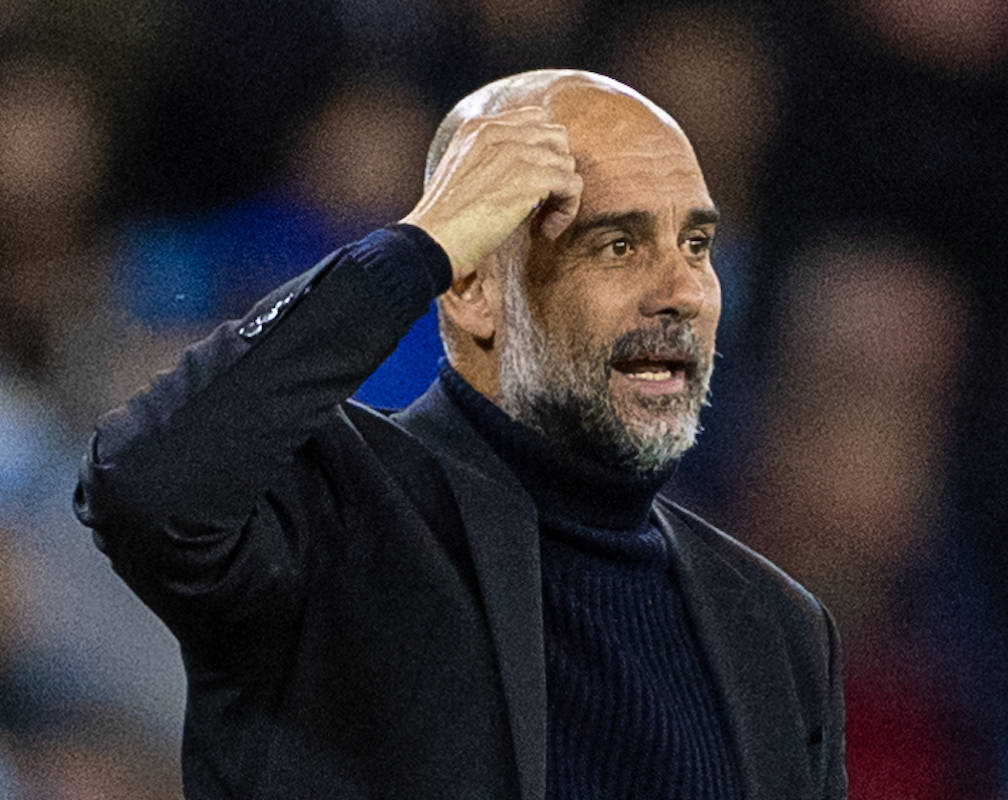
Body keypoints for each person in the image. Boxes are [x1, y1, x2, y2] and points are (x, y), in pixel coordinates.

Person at [73, 69, 846, 800]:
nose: (682, 292)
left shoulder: (778, 630)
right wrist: (416, 249)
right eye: (618, 245)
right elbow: (144, 485)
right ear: (474, 288)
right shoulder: (336, 507)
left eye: (698, 246)